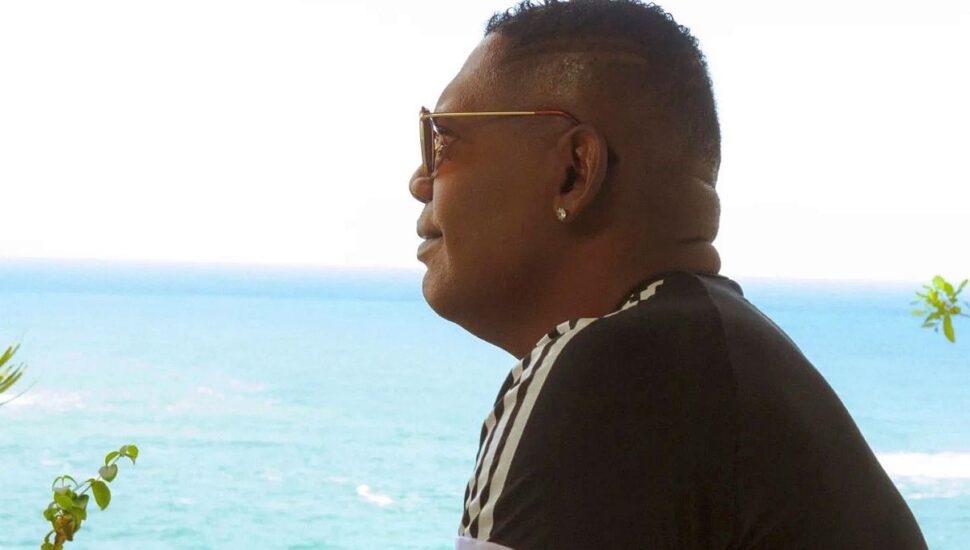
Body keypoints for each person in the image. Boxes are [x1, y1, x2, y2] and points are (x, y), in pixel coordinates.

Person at [408, 1, 927, 548]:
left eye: (441, 140)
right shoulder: (728, 365)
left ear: (573, 171)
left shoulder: (612, 379)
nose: (420, 181)